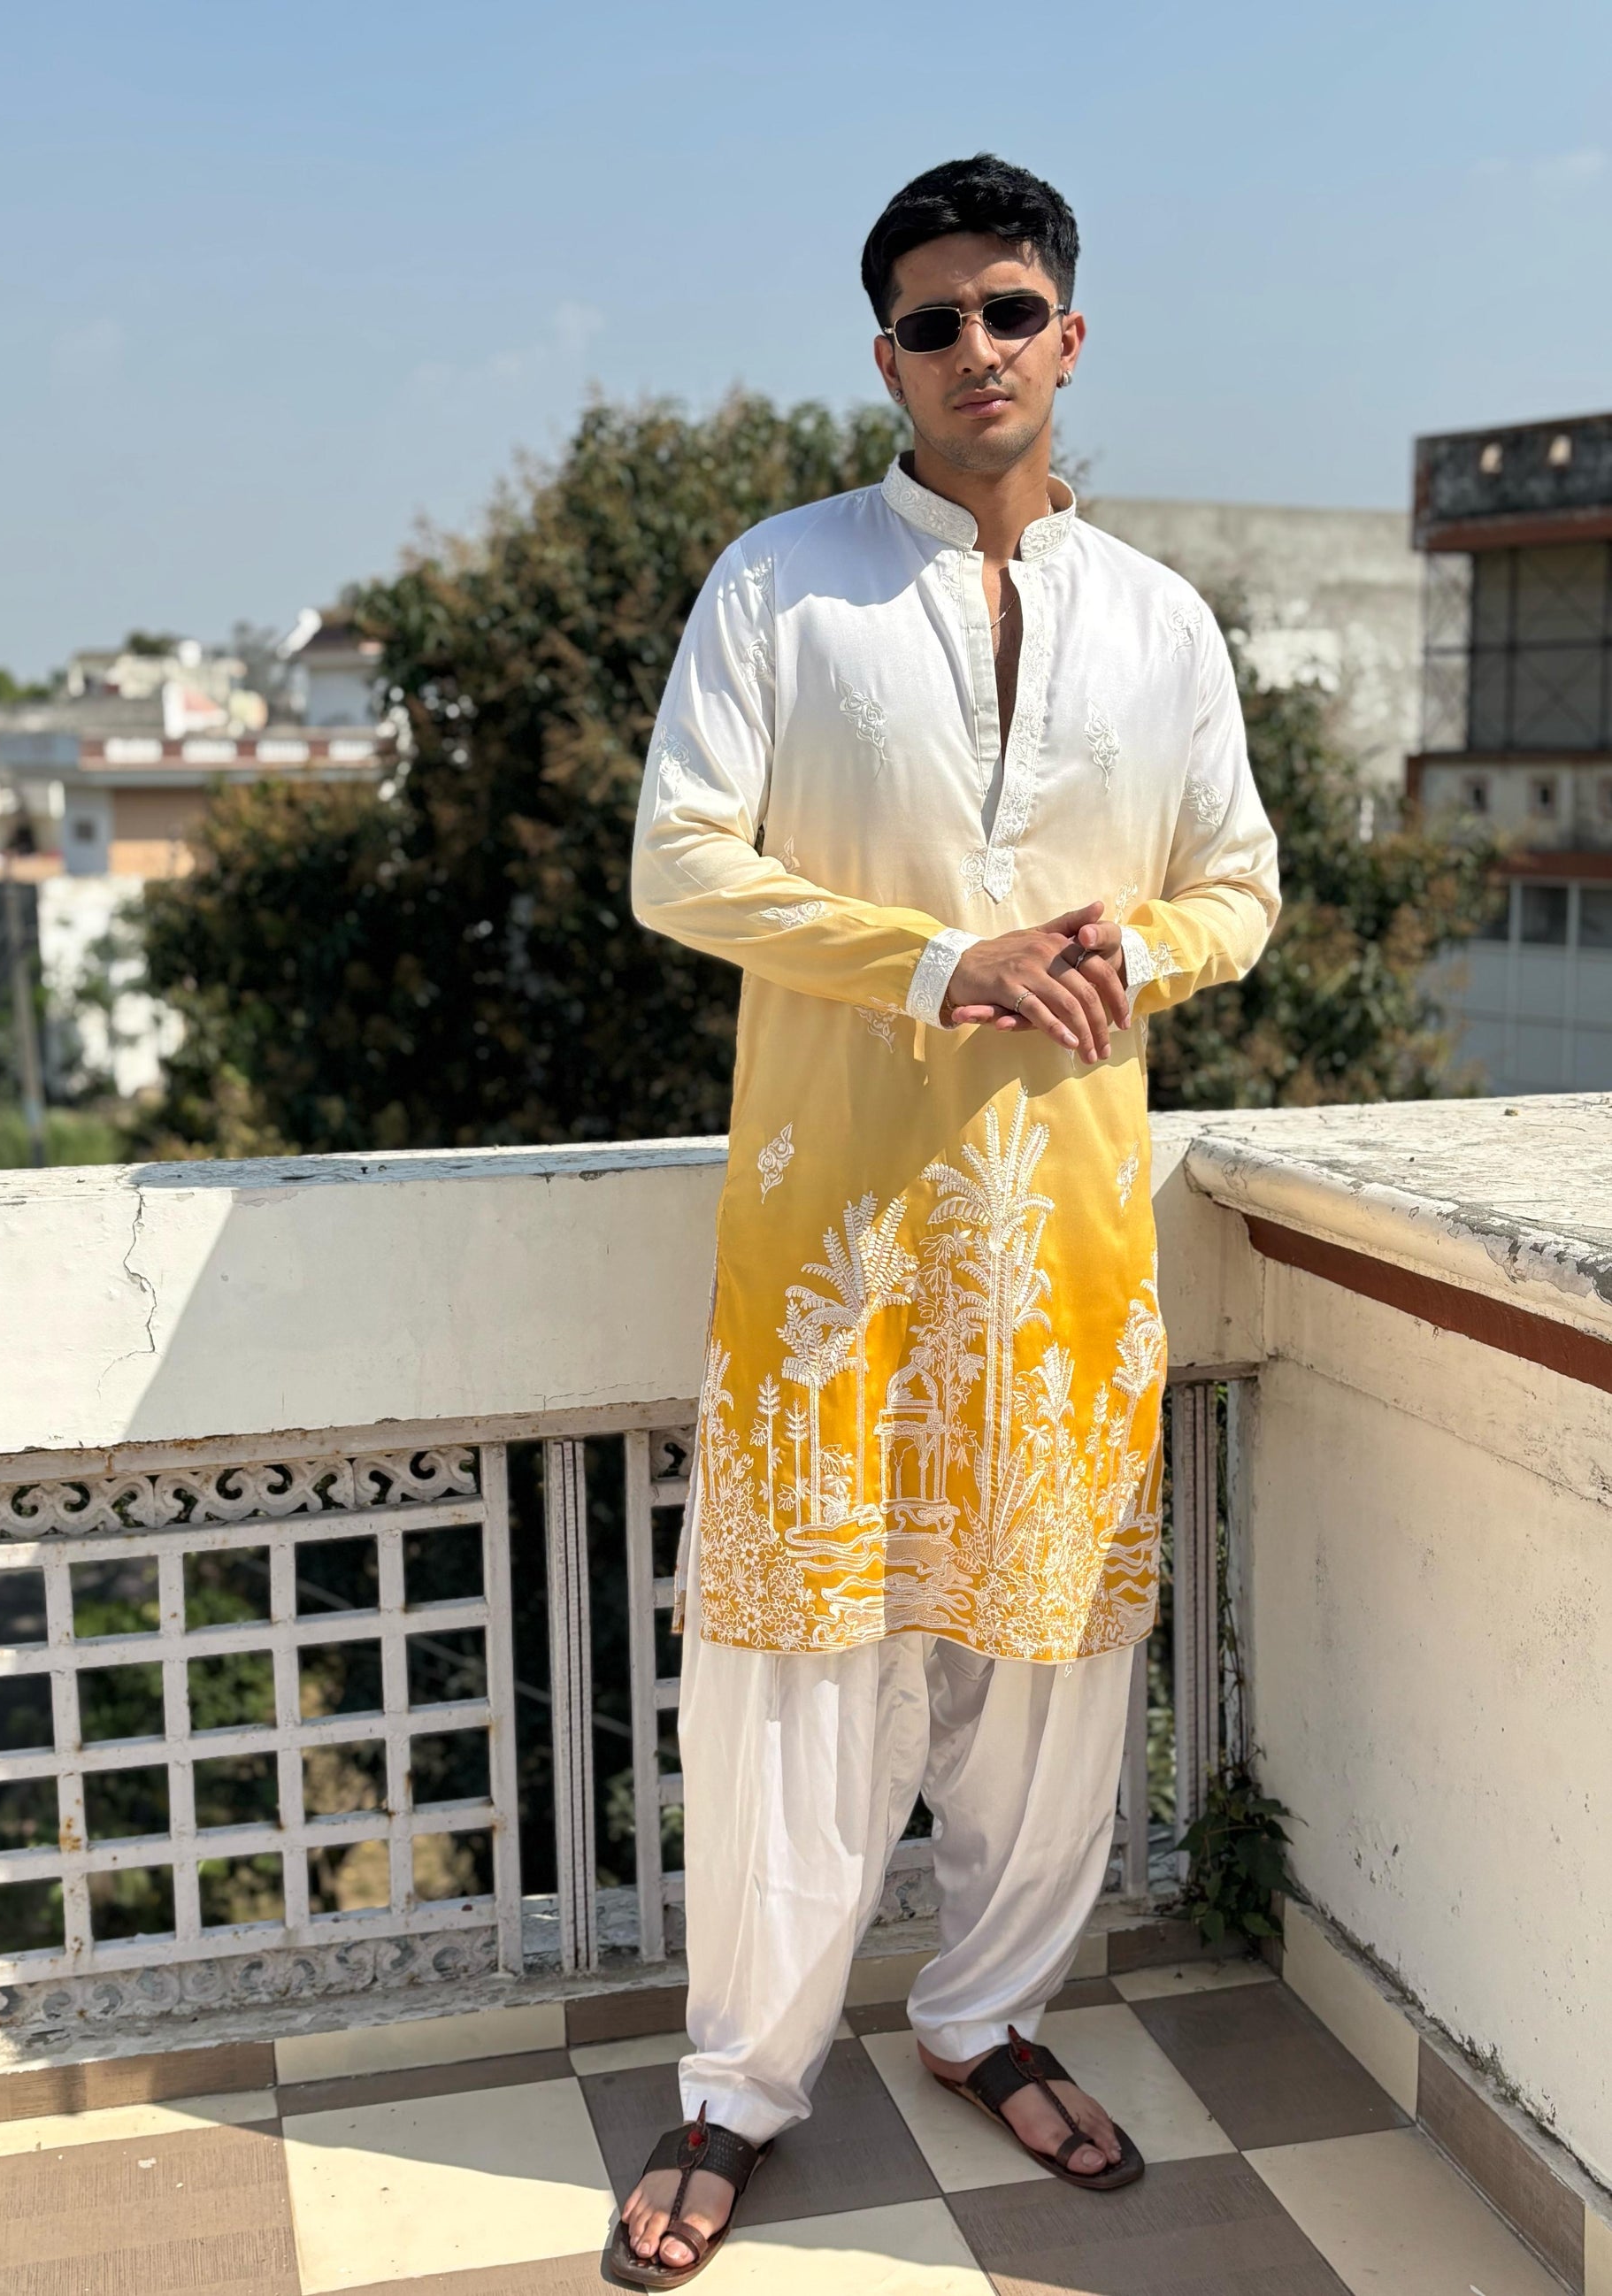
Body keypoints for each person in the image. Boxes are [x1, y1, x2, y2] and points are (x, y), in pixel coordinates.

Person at [611, 151, 1279, 2286]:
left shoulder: (1159, 621)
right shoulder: (779, 584)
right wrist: (936, 961)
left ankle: (986, 2012)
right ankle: (740, 2079)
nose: (972, 348)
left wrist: (1130, 948)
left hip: (1063, 1236)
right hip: (832, 1242)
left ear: (1068, 335)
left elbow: (1242, 883)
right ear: (885, 357)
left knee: (1046, 1661)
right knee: (796, 1672)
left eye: (1007, 311)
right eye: (931, 320)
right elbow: (677, 863)